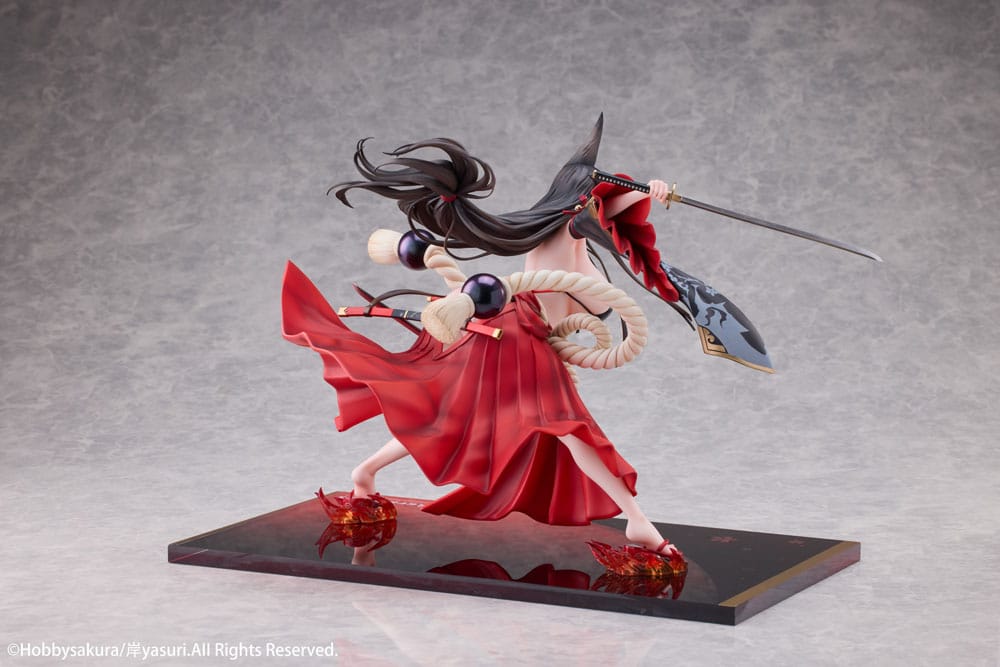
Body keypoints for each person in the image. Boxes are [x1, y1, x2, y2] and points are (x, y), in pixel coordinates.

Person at [282, 115, 686, 560]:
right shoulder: (565, 238)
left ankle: (364, 472)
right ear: (580, 204)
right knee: (570, 429)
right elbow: (593, 223)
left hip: (517, 334)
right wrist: (645, 191)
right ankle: (637, 521)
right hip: (518, 338)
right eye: (595, 200)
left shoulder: (570, 242)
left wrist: (649, 191)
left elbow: (603, 219)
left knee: (454, 418)